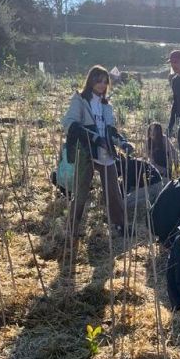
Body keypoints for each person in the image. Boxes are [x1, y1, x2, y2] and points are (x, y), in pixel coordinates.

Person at [61, 65, 133, 239]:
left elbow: (111, 130)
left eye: (104, 81)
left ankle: (121, 226)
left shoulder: (106, 104)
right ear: (90, 81)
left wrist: (123, 143)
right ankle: (71, 229)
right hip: (86, 151)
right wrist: (93, 138)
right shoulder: (80, 99)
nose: (101, 84)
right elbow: (69, 122)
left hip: (105, 151)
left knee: (114, 191)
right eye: (97, 80)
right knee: (81, 192)